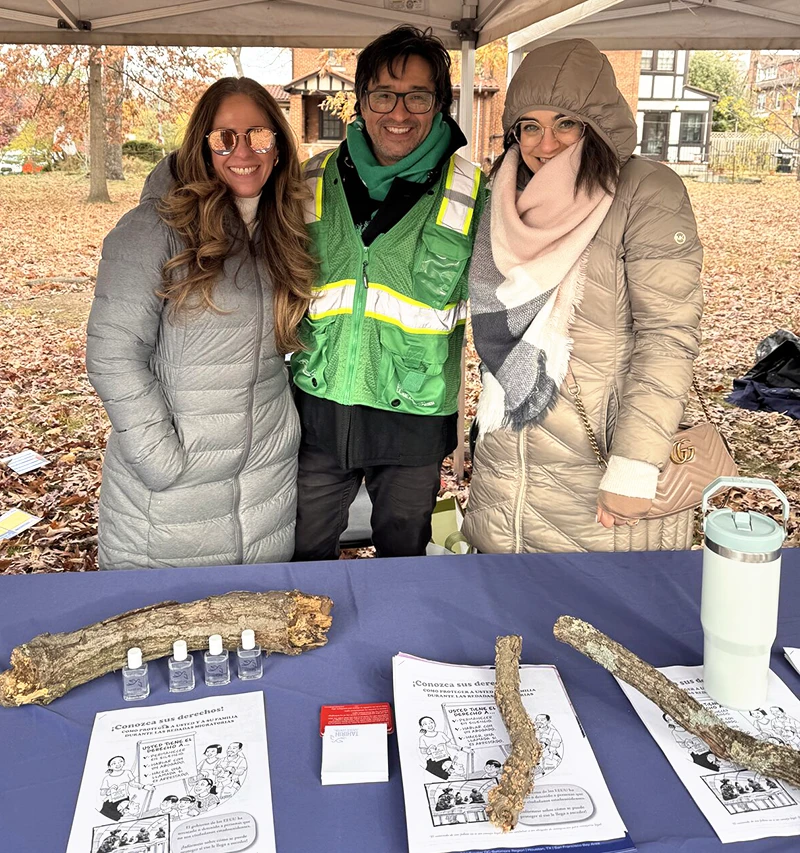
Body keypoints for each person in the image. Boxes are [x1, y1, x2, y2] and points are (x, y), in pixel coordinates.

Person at [463, 39, 703, 553]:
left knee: (599, 627)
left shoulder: (644, 191)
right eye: (530, 126)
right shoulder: (504, 195)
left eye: (565, 123)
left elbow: (668, 336)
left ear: (598, 125)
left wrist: (636, 464)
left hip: (597, 470)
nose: (545, 144)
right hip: (506, 465)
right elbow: (496, 334)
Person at [87, 77, 314, 568]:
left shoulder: (284, 227)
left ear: (277, 142)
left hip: (263, 489)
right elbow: (112, 355)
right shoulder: (154, 228)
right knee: (165, 635)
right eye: (223, 137)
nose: (242, 151)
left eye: (257, 134)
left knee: (255, 633)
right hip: (173, 498)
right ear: (201, 146)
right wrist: (159, 460)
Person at [291, 26, 486, 560]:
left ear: (440, 104)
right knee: (304, 556)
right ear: (361, 102)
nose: (399, 114)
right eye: (383, 95)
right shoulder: (311, 181)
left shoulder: (474, 193)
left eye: (418, 97)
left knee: (402, 563)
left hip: (414, 418)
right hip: (319, 407)